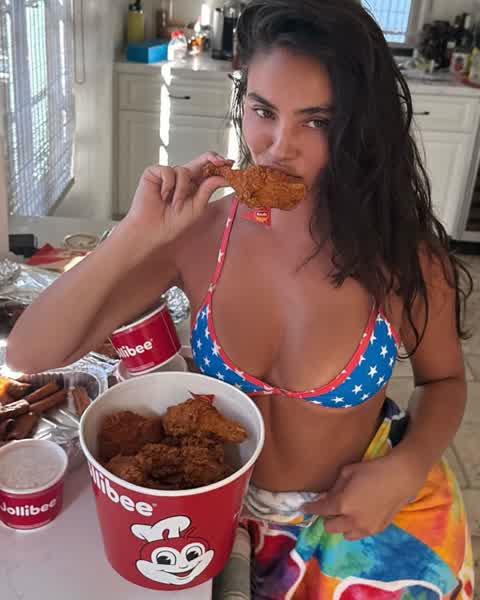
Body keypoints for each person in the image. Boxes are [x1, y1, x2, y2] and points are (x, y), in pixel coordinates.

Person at [7, 0, 475, 597]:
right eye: (263, 110)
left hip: (368, 520)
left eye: (318, 120)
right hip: (215, 522)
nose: (279, 146)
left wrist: (407, 466)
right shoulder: (200, 234)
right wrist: (133, 234)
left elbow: (444, 382)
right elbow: (28, 352)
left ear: (362, 126)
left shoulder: (402, 256)